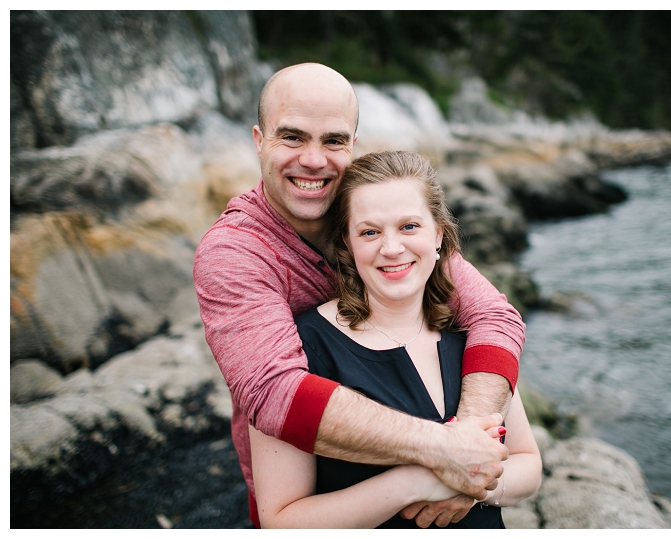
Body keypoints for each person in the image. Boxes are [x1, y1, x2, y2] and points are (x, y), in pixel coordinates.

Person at [193, 63, 527, 528]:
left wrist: (468, 447)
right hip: (317, 497)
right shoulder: (234, 253)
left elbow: (495, 316)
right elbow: (277, 393)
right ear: (258, 140)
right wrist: (444, 453)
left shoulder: (377, 218)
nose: (313, 160)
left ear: (352, 143)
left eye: (333, 140)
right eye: (292, 137)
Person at [249, 150, 542, 528]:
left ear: (438, 234)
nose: (391, 248)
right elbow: (281, 521)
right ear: (348, 244)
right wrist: (419, 480)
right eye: (370, 232)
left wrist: (471, 487)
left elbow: (527, 464)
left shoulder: (474, 336)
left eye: (409, 227)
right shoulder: (300, 349)